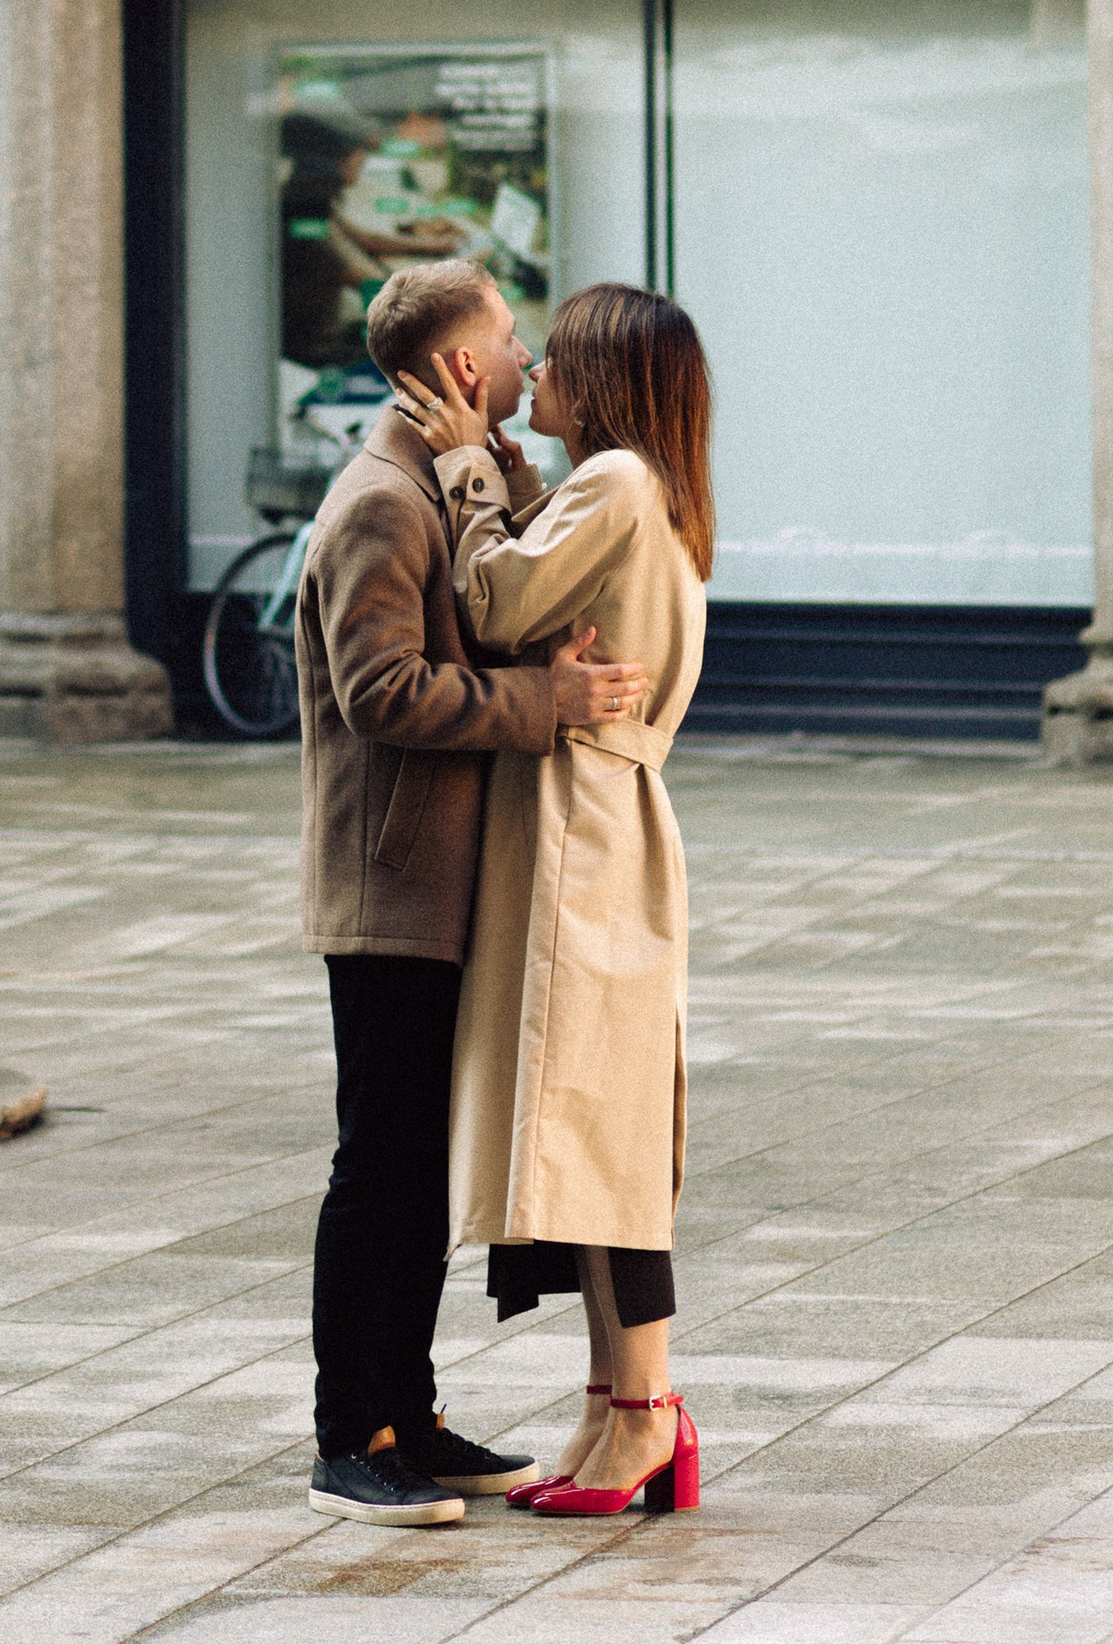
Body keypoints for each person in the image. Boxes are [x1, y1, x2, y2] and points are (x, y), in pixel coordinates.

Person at [296, 253, 650, 1529]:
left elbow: (513, 587)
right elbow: (379, 691)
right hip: (392, 884)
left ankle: (412, 1412)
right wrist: (542, 701)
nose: (525, 354)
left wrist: (494, 470)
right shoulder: (382, 502)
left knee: (418, 1168)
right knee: (380, 1164)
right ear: (459, 362)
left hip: (446, 884)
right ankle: (353, 1436)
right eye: (508, 336)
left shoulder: (449, 476)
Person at [397, 279, 715, 1520]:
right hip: (591, 815)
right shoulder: (637, 486)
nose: (530, 372)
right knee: (584, 1128)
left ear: (603, 378)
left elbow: (495, 604)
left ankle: (645, 1408)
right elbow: (544, 592)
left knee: (600, 1134)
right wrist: (519, 484)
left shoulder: (619, 481)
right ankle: (613, 1402)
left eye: (555, 358)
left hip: (582, 825)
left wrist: (468, 471)